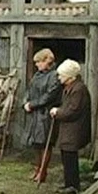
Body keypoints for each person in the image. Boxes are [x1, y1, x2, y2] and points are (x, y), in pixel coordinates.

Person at [49, 59, 92, 194]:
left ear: (70, 76)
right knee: (66, 155)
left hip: (75, 128)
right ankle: (69, 183)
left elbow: (73, 111)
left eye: (61, 75)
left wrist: (58, 112)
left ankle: (73, 185)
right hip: (68, 128)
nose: (59, 77)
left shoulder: (78, 90)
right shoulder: (69, 88)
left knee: (70, 156)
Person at [22, 48, 63, 183]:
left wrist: (33, 104)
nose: (37, 65)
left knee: (45, 144)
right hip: (35, 115)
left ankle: (43, 171)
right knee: (36, 144)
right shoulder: (37, 75)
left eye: (39, 62)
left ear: (47, 61)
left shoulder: (54, 76)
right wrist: (26, 102)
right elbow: (29, 89)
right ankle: (37, 168)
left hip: (46, 115)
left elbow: (49, 96)